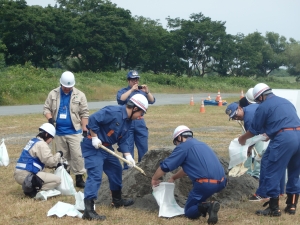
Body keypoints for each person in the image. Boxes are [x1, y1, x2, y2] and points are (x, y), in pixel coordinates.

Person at [81, 94, 149, 221]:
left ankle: (117, 200)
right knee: (95, 175)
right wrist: (94, 136)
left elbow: (123, 139)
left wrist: (128, 155)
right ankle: (88, 211)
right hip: (93, 146)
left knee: (116, 169)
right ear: (134, 108)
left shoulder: (129, 121)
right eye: (141, 113)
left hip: (106, 147)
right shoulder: (113, 112)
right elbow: (93, 119)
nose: (140, 117)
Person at [238, 83, 300, 216]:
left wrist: (243, 139)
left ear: (260, 97)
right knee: (295, 171)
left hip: (284, 139)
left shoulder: (264, 106)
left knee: (272, 169)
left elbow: (254, 130)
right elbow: (284, 122)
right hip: (298, 135)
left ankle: (274, 208)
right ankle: (292, 206)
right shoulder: (285, 102)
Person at [151, 125, 226, 224]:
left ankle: (208, 206)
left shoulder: (183, 147)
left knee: (189, 211)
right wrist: (174, 177)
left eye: (176, 142)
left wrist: (154, 178)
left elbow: (166, 166)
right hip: (222, 182)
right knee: (199, 200)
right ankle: (206, 206)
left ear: (179, 137)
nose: (177, 145)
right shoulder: (202, 144)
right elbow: (188, 170)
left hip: (206, 184)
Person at [43, 71, 88, 188]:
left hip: (75, 132)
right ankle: (65, 178)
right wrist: (50, 119)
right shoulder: (53, 94)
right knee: (62, 157)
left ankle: (79, 178)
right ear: (61, 84)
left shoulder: (80, 95)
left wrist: (84, 129)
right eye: (65, 87)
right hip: (59, 133)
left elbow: (84, 113)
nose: (67, 89)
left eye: (70, 87)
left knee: (77, 156)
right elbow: (46, 109)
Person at [116, 70, 155, 169]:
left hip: (140, 122)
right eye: (133, 80)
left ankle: (143, 168)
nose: (135, 82)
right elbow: (121, 99)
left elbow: (152, 100)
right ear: (128, 80)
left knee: (143, 147)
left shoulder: (141, 92)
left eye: (137, 79)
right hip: (127, 122)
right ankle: (128, 170)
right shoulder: (124, 91)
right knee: (128, 147)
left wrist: (147, 92)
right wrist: (132, 90)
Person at [14, 123, 62, 198]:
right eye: (51, 138)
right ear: (46, 134)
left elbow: (39, 161)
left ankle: (29, 186)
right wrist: (59, 154)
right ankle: (34, 190)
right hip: (27, 176)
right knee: (57, 180)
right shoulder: (42, 144)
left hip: (18, 174)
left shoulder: (33, 141)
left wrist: (55, 165)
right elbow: (51, 161)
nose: (50, 141)